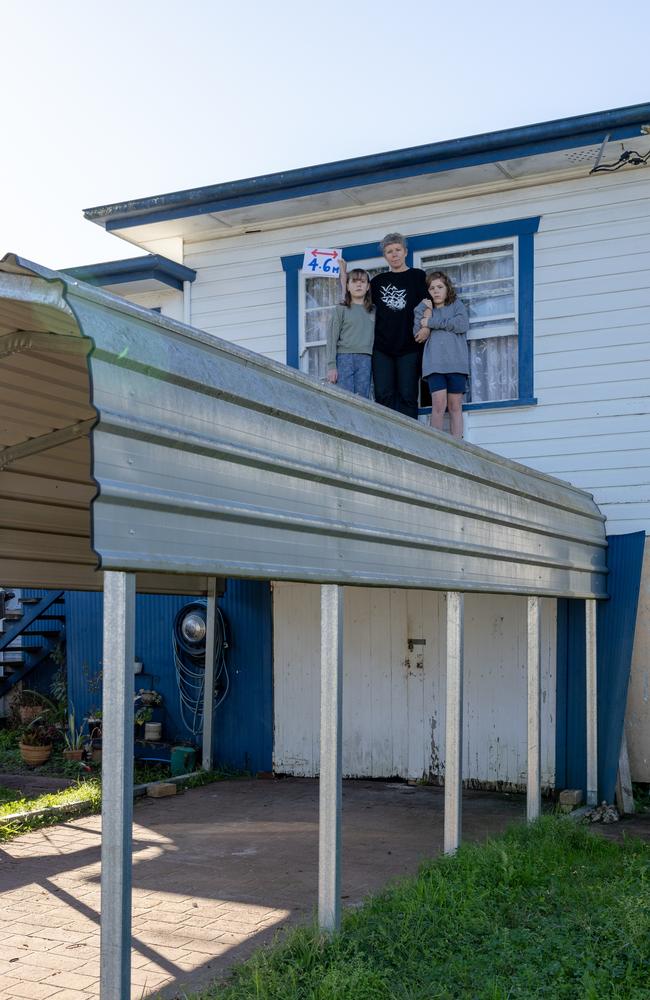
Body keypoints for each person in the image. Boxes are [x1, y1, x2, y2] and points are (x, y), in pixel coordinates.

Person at [342, 233, 427, 418]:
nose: (394, 254)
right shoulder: (378, 281)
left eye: (397, 250)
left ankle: (408, 441)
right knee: (383, 396)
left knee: (408, 395)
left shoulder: (418, 276)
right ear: (385, 256)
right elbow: (355, 299)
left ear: (405, 252)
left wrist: (426, 327)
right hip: (381, 347)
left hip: (410, 346)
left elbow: (428, 304)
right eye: (389, 251)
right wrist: (343, 275)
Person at [413, 270, 469, 438]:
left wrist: (431, 322)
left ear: (447, 289)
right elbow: (418, 334)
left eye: (440, 287)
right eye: (431, 288)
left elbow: (461, 324)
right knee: (438, 405)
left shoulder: (456, 305)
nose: (436, 291)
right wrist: (426, 313)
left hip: (456, 363)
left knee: (455, 406)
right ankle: (437, 446)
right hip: (434, 365)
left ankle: (458, 445)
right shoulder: (422, 309)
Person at [326, 269, 375, 397]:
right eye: (354, 281)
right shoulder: (341, 309)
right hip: (344, 358)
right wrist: (331, 366)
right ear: (347, 286)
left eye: (362, 281)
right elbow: (332, 338)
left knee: (363, 400)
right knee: (344, 398)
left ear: (368, 286)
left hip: (366, 359)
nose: (358, 285)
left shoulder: (373, 310)